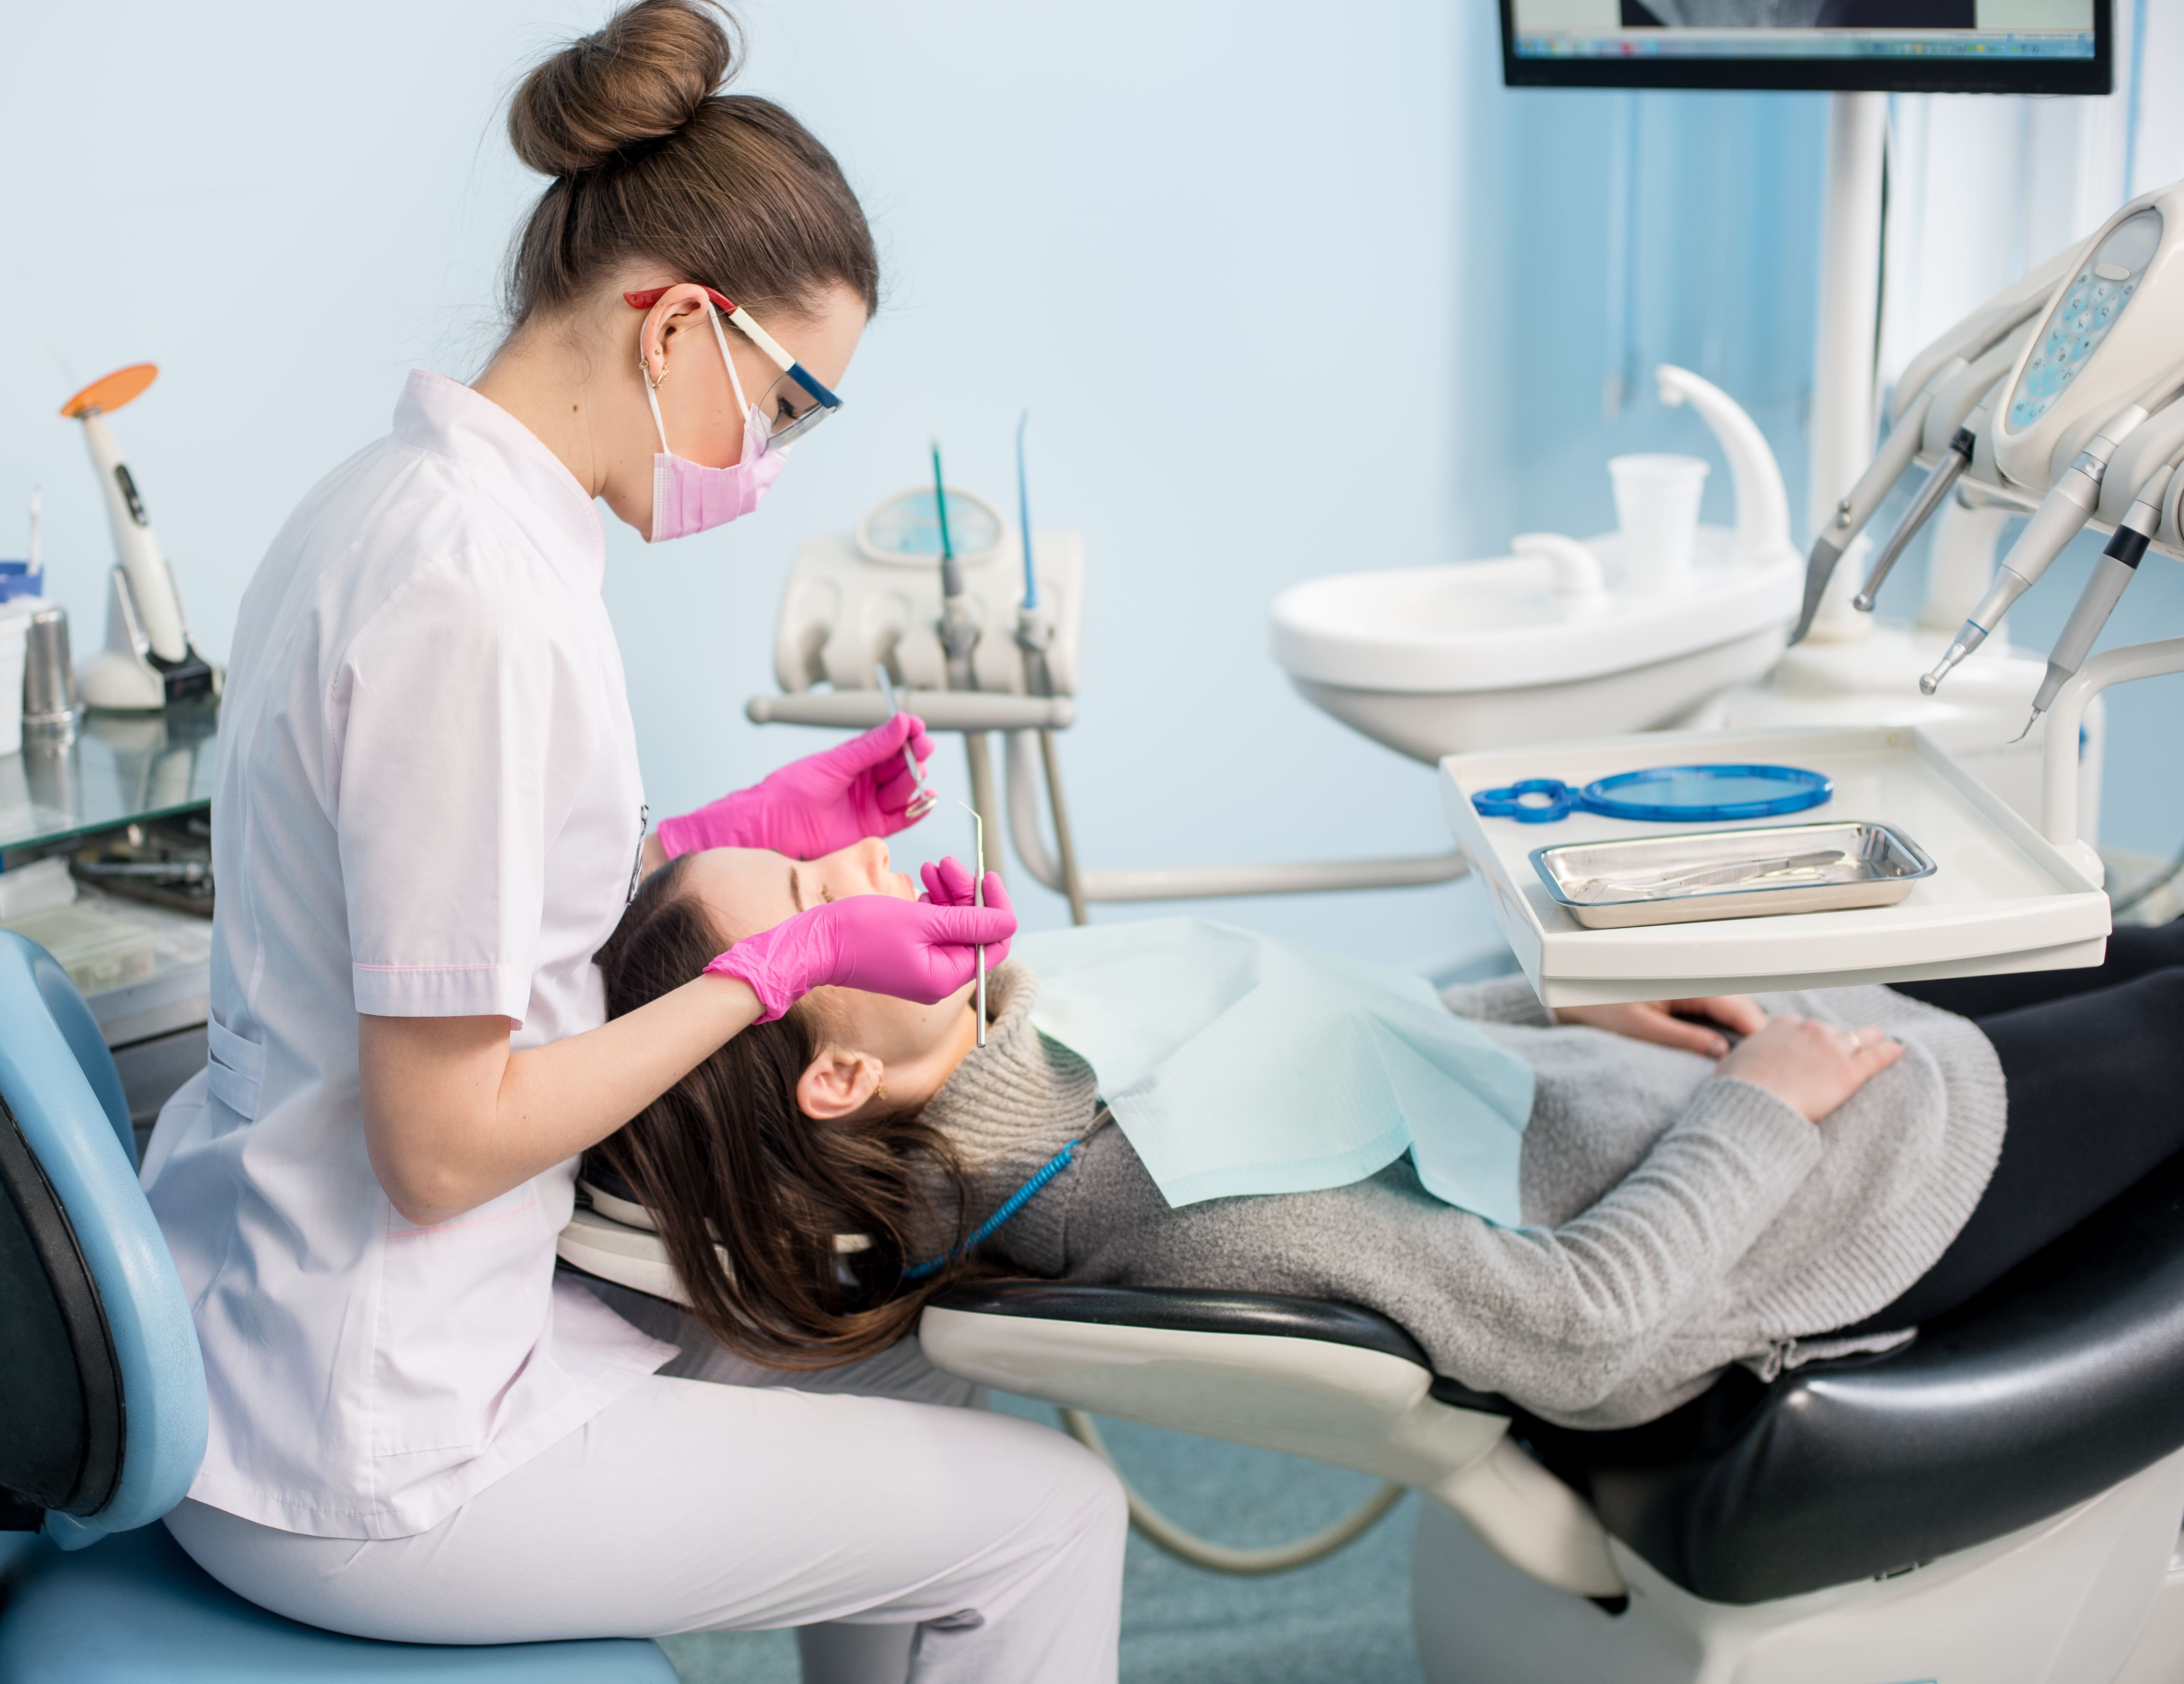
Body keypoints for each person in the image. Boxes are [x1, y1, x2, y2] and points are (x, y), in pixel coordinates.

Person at [139, 4, 1125, 1676]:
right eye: (792, 401)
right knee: (1053, 1516)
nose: (778, 458)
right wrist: (776, 966)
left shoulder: (397, 505)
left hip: (296, 1324)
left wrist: (750, 833)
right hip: (384, 1443)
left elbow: (468, 904)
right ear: (673, 324)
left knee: (921, 1351)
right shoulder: (481, 607)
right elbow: (444, 1144)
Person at [591, 838, 2184, 1428]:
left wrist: (1533, 1010)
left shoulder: (1048, 1031)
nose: (861, 857)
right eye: (812, 898)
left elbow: (1327, 1052)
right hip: (1844, 1187)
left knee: (2113, 928)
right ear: (836, 1084)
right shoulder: (1163, 1204)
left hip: (1710, 1078)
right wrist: (1763, 1113)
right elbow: (1578, 1330)